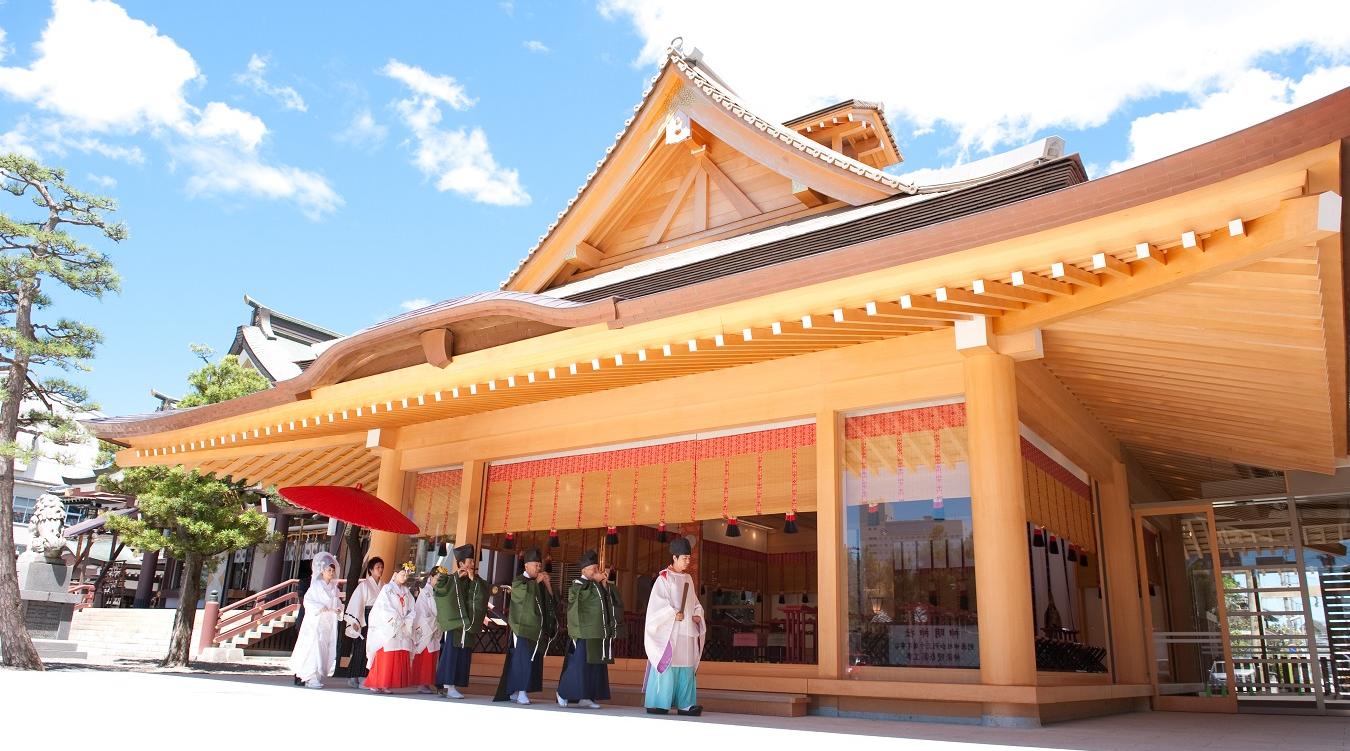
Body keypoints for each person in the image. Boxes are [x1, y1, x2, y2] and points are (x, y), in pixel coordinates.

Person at [643, 536, 705, 716]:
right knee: (668, 664)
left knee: (686, 665)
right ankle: (659, 702)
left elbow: (696, 604)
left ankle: (686, 704)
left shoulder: (688, 579)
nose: (687, 561)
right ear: (674, 558)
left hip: (687, 630)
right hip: (670, 631)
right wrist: (671, 613)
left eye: (688, 558)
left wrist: (697, 615)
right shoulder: (664, 578)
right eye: (684, 558)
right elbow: (656, 605)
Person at [556, 549, 622, 709]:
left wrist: (605, 585)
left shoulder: (596, 584)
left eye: (596, 569)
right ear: (584, 570)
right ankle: (562, 692)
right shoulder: (578, 585)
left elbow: (609, 601)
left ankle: (586, 696)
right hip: (584, 631)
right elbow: (581, 599)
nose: (596, 572)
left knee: (595, 666)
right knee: (579, 664)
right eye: (593, 569)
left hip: (598, 631)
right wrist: (597, 582)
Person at [493, 548, 556, 705]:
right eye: (535, 565)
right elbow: (523, 595)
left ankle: (519, 690)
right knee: (522, 660)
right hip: (522, 627)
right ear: (527, 566)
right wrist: (537, 582)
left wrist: (547, 584)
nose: (538, 568)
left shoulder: (539, 583)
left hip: (537, 628)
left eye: (539, 566)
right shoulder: (519, 581)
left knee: (533, 660)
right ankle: (520, 691)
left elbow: (550, 602)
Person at [434, 543, 489, 699]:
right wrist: (456, 579)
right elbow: (440, 591)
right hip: (454, 623)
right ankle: (447, 685)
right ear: (460, 564)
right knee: (451, 653)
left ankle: (453, 685)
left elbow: (483, 594)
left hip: (468, 623)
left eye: (473, 562)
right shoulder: (450, 578)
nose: (472, 564)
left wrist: (474, 581)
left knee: (462, 655)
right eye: (469, 562)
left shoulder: (477, 580)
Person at [288, 551, 343, 689]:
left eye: (332, 570)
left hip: (328, 623)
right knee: (314, 648)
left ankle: (317, 676)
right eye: (328, 570)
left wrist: (339, 609)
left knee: (324, 648)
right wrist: (320, 608)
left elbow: (339, 603)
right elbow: (308, 601)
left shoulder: (334, 589)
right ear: (322, 571)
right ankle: (310, 677)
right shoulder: (316, 586)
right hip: (316, 622)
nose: (331, 572)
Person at [364, 561, 417, 693]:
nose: (404, 577)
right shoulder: (387, 589)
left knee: (396, 654)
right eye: (402, 574)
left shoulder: (406, 591)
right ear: (395, 574)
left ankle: (387, 683)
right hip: (390, 626)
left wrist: (408, 619)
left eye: (406, 575)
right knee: (385, 655)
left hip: (402, 626)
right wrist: (398, 619)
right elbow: (383, 607)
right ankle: (377, 682)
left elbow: (412, 608)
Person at [337, 556, 384, 688]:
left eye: (381, 567)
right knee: (362, 646)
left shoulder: (384, 586)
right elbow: (357, 602)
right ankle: (359, 676)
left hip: (378, 618)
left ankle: (360, 676)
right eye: (377, 567)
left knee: (373, 647)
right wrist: (355, 620)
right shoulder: (364, 585)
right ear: (370, 570)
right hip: (365, 616)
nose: (380, 570)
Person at [411, 565, 446, 694]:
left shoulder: (437, 592)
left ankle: (426, 682)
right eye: (438, 578)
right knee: (425, 654)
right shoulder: (425, 592)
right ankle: (421, 683)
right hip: (427, 627)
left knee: (432, 656)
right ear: (431, 577)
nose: (439, 581)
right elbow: (422, 612)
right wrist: (434, 622)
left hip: (435, 626)